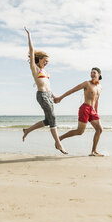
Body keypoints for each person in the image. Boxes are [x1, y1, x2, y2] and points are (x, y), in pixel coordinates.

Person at [22, 26, 68, 155]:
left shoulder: (45, 71)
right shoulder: (34, 68)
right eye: (45, 60)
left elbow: (48, 85)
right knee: (53, 118)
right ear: (40, 59)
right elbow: (31, 50)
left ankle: (27, 130)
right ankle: (58, 143)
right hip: (41, 95)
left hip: (48, 95)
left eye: (48, 61)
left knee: (48, 121)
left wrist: (54, 96)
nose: (47, 62)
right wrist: (29, 35)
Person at [54, 68, 104, 156]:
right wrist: (60, 98)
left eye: (94, 72)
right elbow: (72, 90)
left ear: (99, 74)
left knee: (99, 129)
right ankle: (59, 138)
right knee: (80, 132)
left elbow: (97, 100)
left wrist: (96, 112)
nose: (92, 74)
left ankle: (93, 151)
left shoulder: (100, 87)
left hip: (92, 110)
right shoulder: (87, 83)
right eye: (91, 72)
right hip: (85, 108)